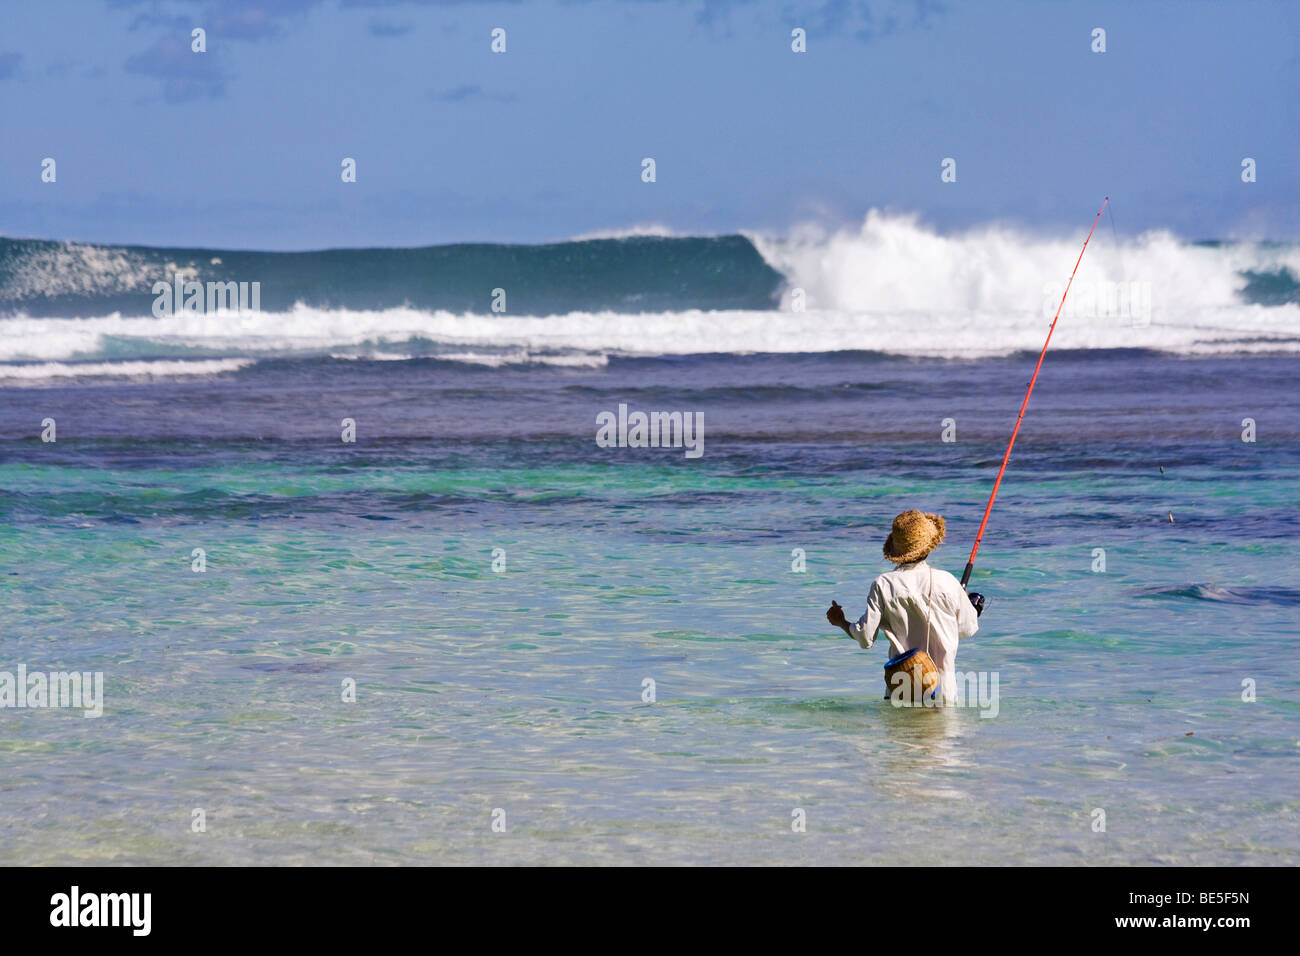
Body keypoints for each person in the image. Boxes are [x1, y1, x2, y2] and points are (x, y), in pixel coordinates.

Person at [826, 510, 985, 702]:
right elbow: (968, 629)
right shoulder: (948, 582)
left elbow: (865, 638)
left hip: (902, 690)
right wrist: (969, 604)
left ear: (897, 550)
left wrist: (841, 622)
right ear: (929, 547)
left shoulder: (883, 584)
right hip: (943, 693)